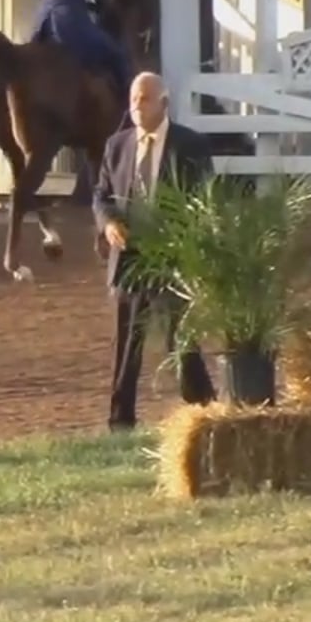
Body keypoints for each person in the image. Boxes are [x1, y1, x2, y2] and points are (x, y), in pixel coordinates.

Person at [93, 72, 217, 431]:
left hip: (172, 259)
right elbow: (101, 194)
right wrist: (109, 223)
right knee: (126, 343)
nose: (136, 105)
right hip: (130, 258)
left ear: (164, 103)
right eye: (133, 98)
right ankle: (120, 421)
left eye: (144, 98)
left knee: (181, 341)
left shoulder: (190, 146)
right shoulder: (117, 146)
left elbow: (203, 199)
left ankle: (204, 412)